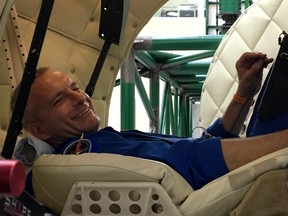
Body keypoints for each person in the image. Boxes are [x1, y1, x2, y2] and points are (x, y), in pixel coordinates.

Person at [12, 52, 288, 190]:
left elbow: (200, 149)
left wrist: (243, 94)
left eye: (74, 87)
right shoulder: (89, 151)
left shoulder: (101, 143)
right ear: (39, 130)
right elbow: (195, 160)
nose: (80, 98)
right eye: (59, 100)